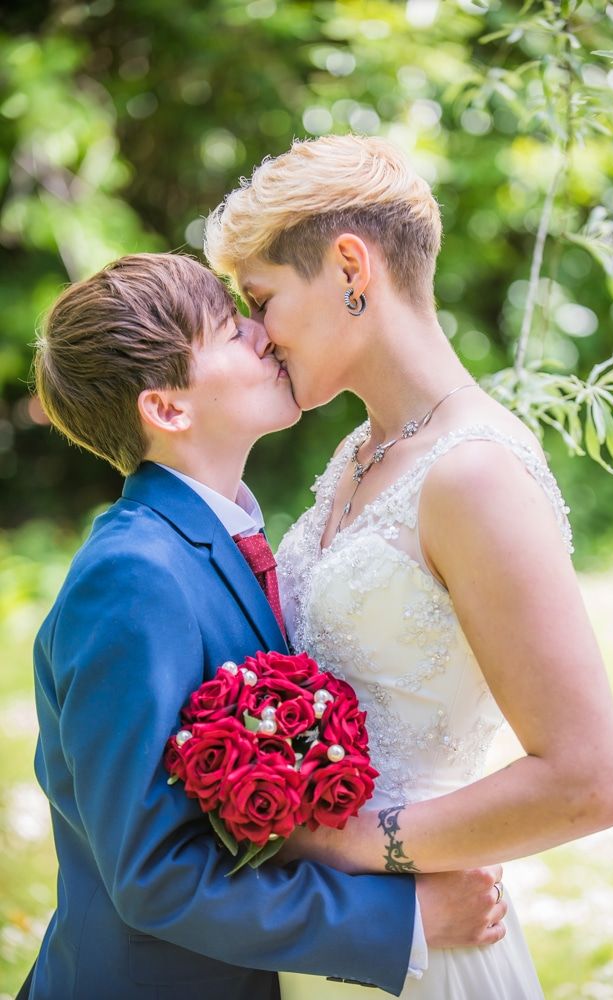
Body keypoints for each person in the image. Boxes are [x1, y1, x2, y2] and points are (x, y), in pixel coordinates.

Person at [204, 134, 613, 999]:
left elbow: (588, 782)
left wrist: (359, 842)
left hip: (428, 942)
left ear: (350, 266)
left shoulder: (473, 472)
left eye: (263, 298)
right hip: (338, 933)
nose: (257, 335)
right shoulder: (358, 455)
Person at [22, 252, 506, 1000]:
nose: (263, 334)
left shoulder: (227, 538)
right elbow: (153, 875)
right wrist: (401, 919)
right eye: (228, 330)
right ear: (168, 409)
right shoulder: (131, 578)